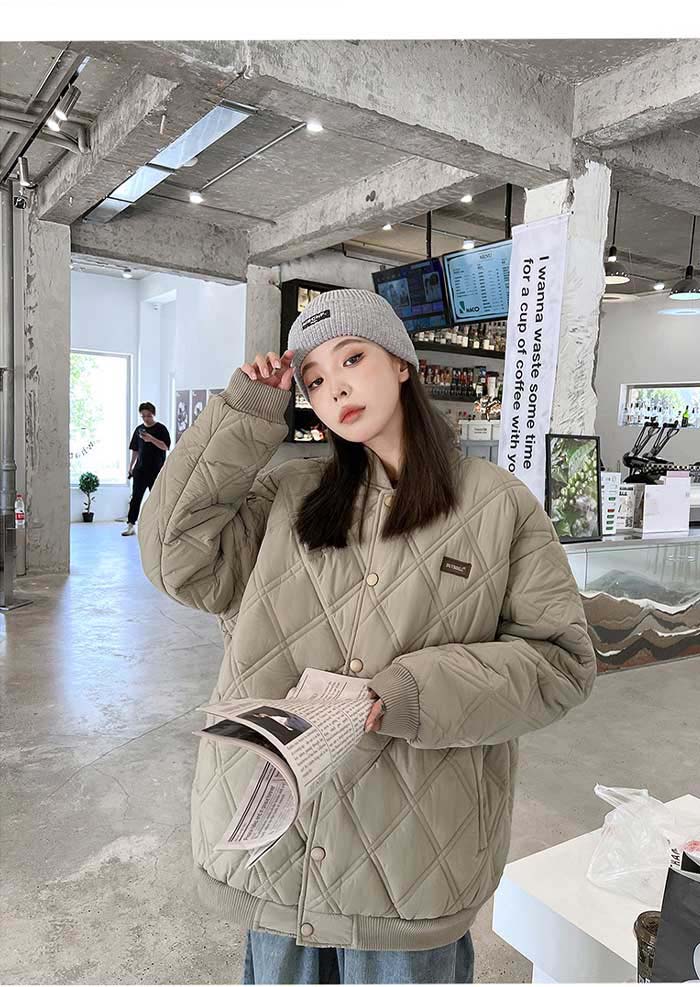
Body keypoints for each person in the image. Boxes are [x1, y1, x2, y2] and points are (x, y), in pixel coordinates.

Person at [138, 290, 596, 984]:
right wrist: (246, 414)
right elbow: (176, 558)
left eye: (352, 358)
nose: (336, 387)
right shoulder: (290, 497)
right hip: (281, 851)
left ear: (403, 363)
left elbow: (560, 662)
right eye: (315, 378)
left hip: (411, 862)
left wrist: (414, 693)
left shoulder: (498, 504)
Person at [122, 402, 171, 536]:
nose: (146, 418)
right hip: (140, 470)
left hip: (156, 470)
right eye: (143, 416)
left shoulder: (161, 429)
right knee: (136, 498)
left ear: (153, 414)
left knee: (157, 499)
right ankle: (131, 525)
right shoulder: (139, 429)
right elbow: (135, 450)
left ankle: (160, 526)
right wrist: (131, 467)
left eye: (148, 415)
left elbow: (165, 446)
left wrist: (151, 439)